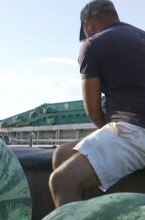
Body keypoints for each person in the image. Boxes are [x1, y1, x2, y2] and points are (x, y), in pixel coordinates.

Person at [49, 0, 145, 208]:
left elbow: (92, 110)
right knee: (62, 154)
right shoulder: (140, 36)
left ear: (89, 24)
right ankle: (90, 214)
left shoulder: (93, 44)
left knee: (62, 181)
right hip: (137, 131)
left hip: (135, 131)